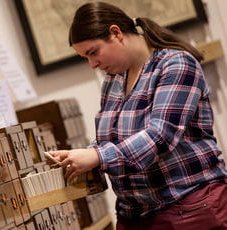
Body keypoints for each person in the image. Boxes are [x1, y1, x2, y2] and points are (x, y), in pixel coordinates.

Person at [48, 2, 227, 230]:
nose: (92, 64)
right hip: (135, 216)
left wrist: (97, 156)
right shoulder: (114, 80)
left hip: (187, 209)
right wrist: (79, 157)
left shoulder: (175, 65)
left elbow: (160, 136)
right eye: (86, 57)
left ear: (116, 33)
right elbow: (111, 141)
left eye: (93, 52)